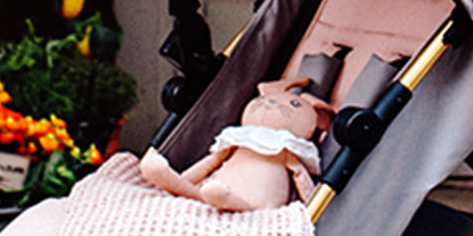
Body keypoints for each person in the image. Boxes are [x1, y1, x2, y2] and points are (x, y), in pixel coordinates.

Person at [139, 77, 332, 211]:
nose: (270, 105)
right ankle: (179, 184)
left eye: (294, 105)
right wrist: (186, 178)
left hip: (256, 203)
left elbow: (300, 175)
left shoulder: (284, 148)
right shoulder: (239, 139)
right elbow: (212, 162)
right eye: (265, 100)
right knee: (210, 189)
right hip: (217, 189)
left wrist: (312, 208)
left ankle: (219, 198)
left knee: (216, 192)